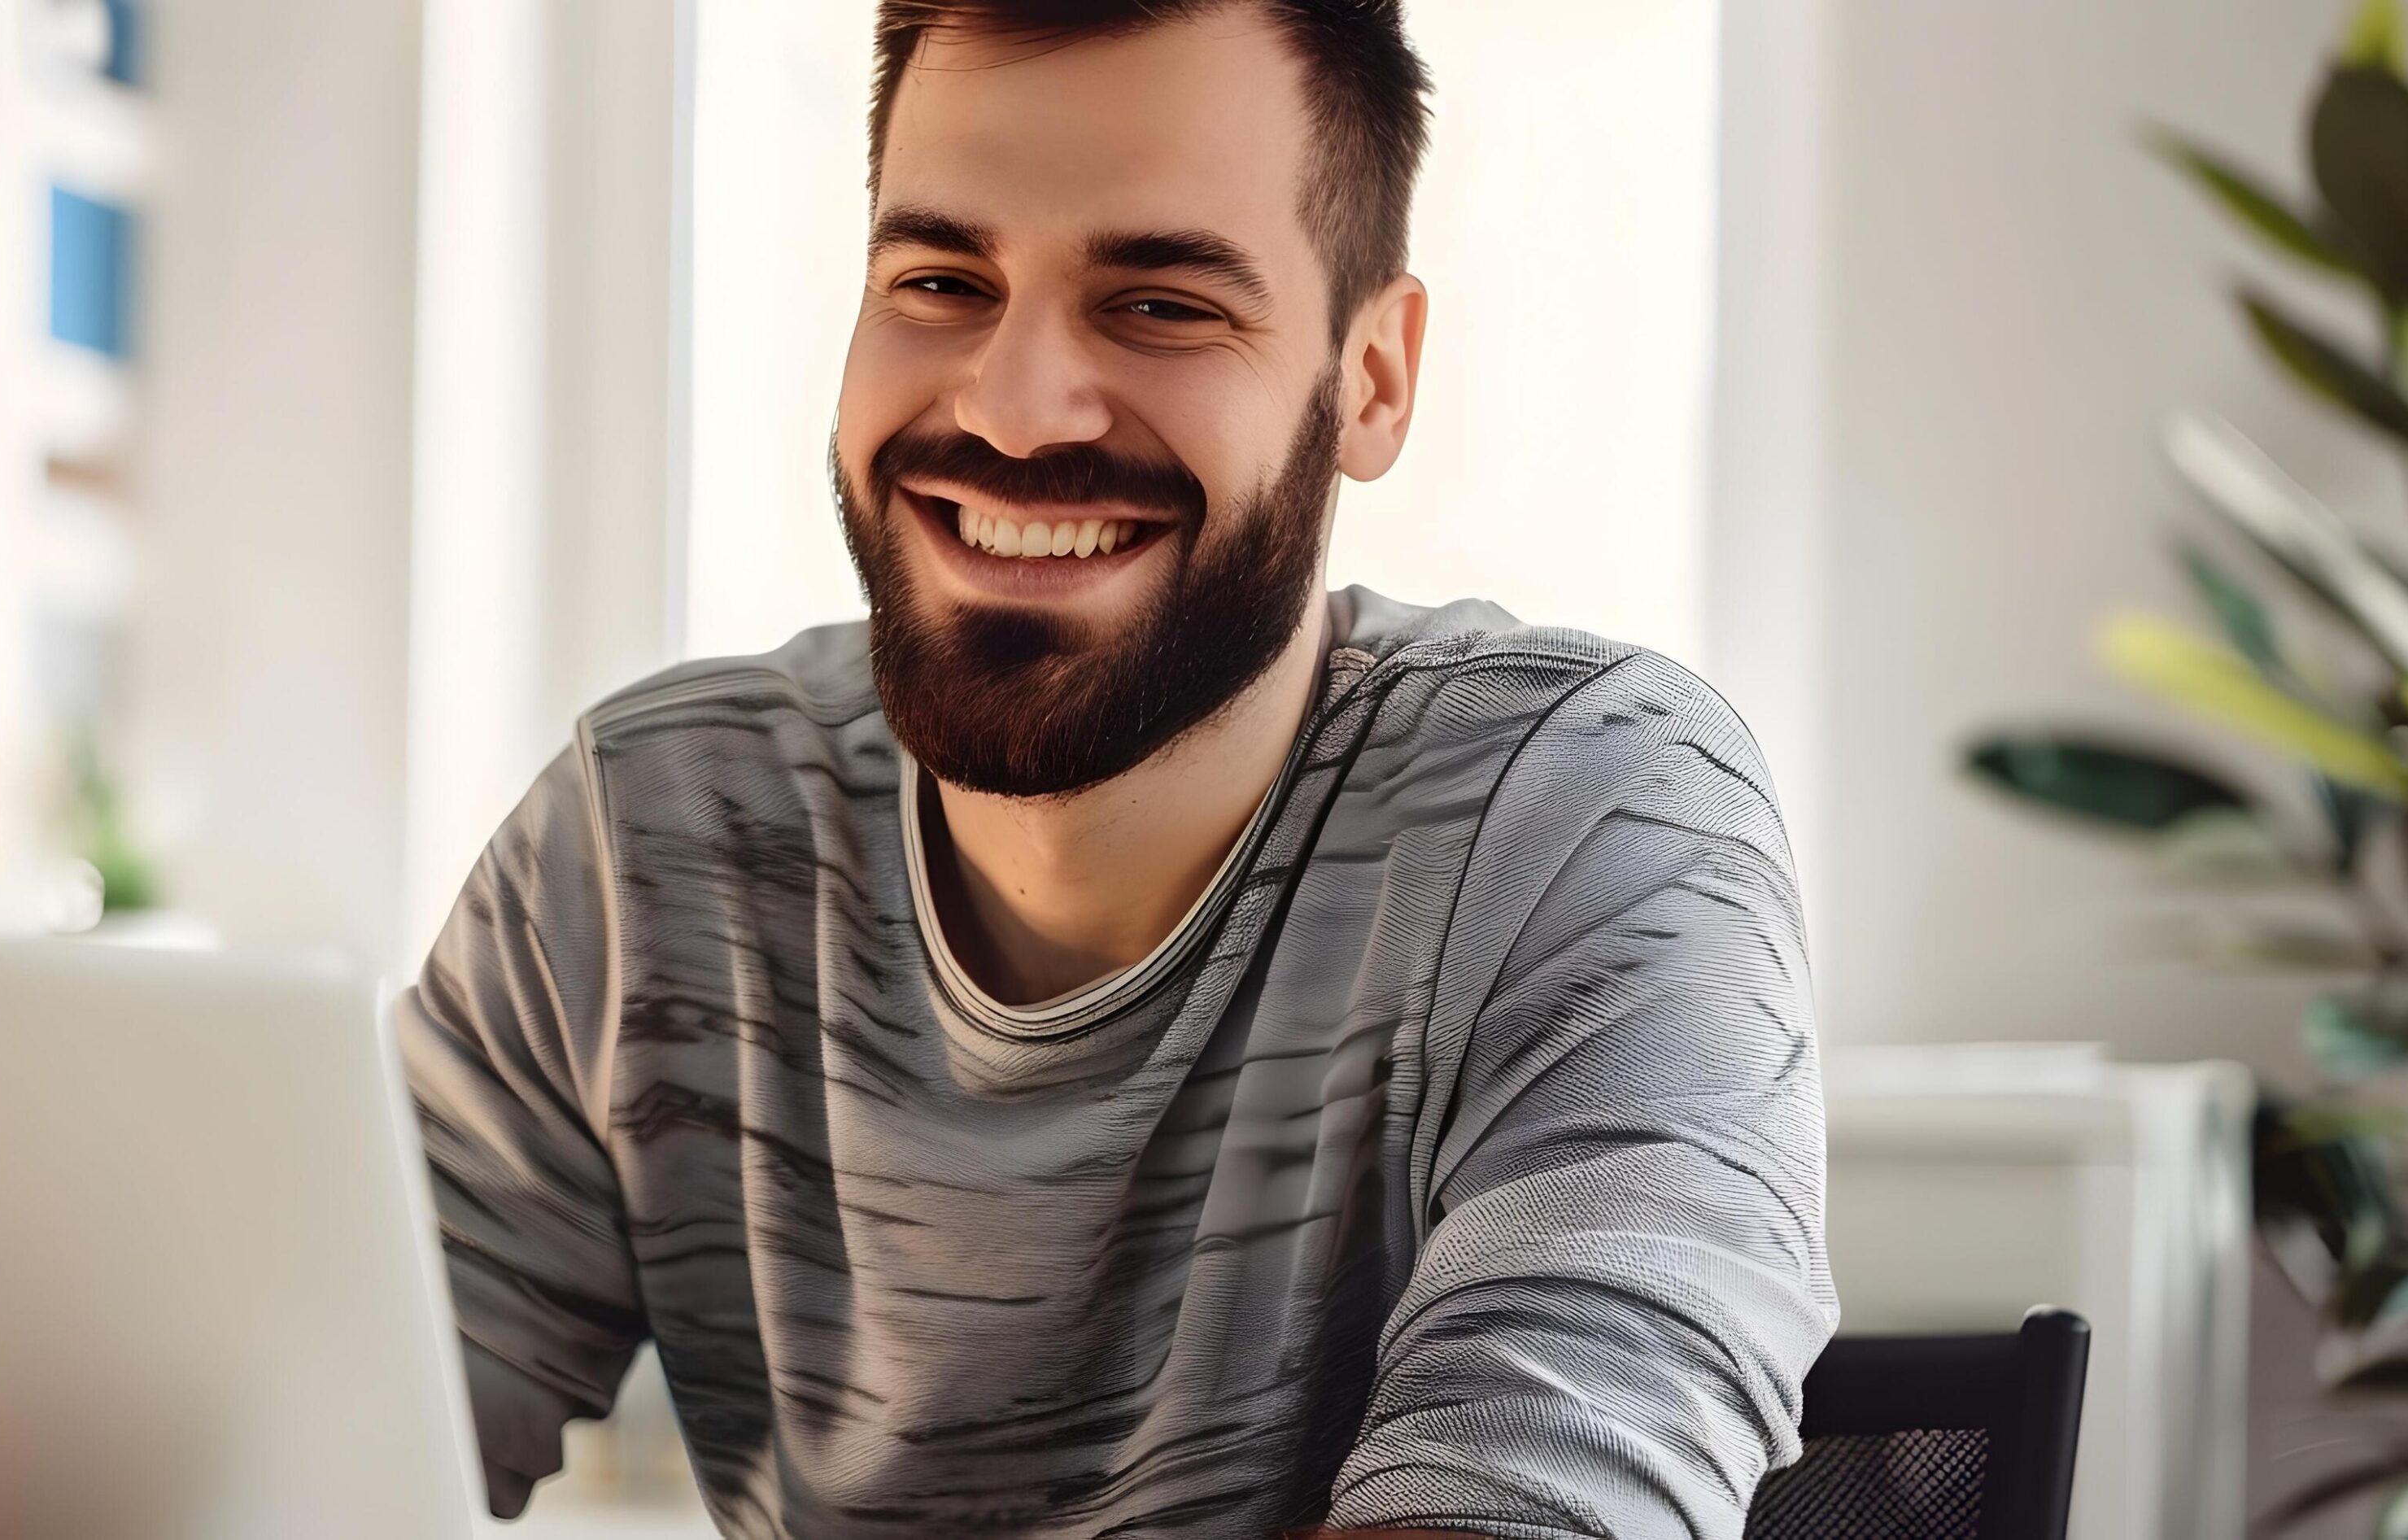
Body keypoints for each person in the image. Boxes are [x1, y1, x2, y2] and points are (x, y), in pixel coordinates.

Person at [398, 2, 1832, 1535]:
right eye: (942, 282)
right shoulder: (655, 835)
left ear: (1372, 378)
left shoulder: (1587, 819)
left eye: (1159, 303)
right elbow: (269, 1444)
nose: (1012, 412)